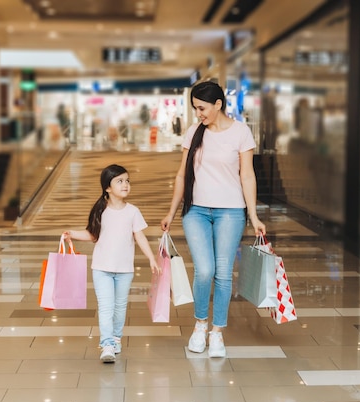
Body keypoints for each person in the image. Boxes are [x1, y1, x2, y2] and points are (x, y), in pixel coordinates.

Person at [160, 81, 266, 358]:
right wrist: (171, 212)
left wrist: (253, 215)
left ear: (218, 104)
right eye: (196, 108)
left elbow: (247, 175)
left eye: (202, 108)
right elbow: (182, 175)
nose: (198, 114)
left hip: (230, 211)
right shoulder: (194, 132)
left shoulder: (241, 133)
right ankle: (200, 325)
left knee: (222, 273)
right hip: (196, 211)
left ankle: (217, 332)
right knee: (204, 270)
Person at [63, 164, 160, 363]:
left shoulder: (133, 211)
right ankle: (106, 344)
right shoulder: (100, 209)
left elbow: (140, 236)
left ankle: (116, 338)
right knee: (106, 306)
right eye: (120, 181)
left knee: (120, 306)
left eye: (127, 181)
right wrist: (71, 233)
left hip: (125, 270)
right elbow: (92, 234)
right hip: (101, 269)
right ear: (107, 187)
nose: (125, 184)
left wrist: (151, 258)